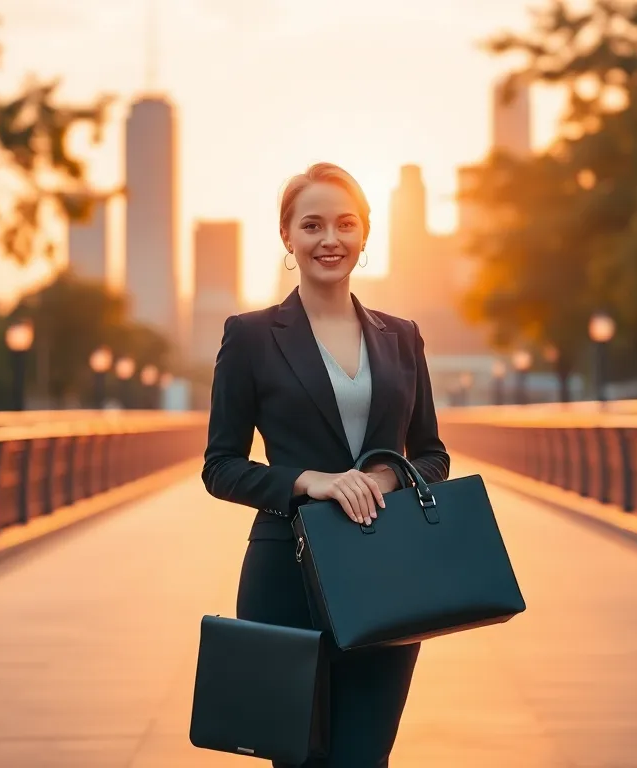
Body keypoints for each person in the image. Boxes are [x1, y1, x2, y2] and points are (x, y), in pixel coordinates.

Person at [201, 161, 450, 767]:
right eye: (312, 225)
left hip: (385, 576)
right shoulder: (251, 336)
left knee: (364, 759)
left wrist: (383, 478)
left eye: (345, 224)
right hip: (284, 575)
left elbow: (433, 455)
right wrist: (308, 481)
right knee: (297, 759)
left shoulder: (402, 336)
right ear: (287, 236)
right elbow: (221, 465)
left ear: (365, 234)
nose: (329, 239)